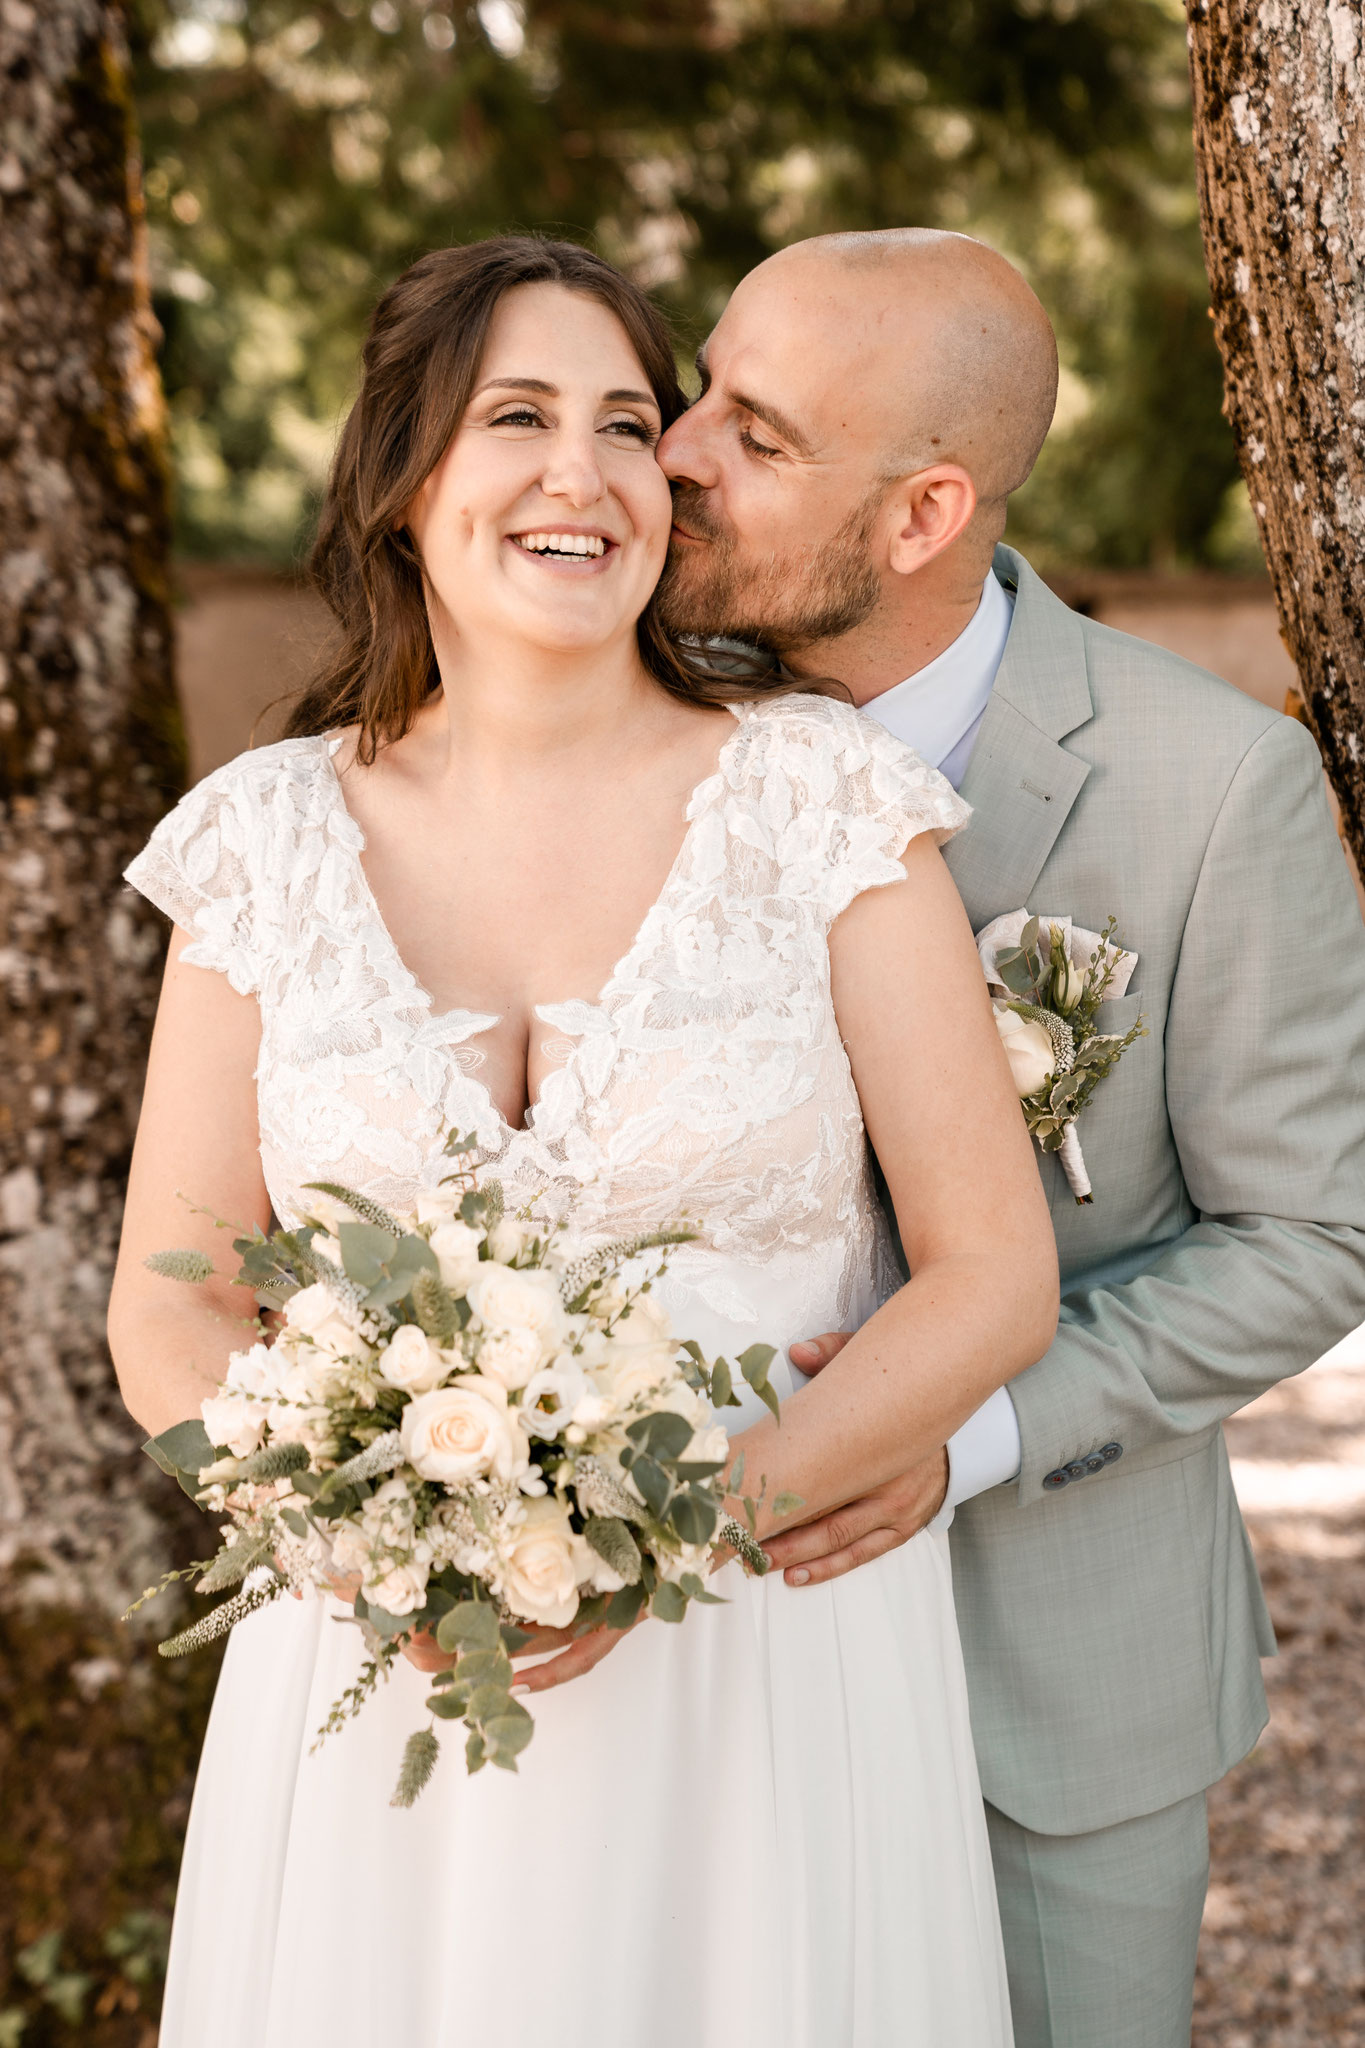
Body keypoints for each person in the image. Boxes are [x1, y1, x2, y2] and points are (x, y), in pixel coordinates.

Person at [108, 235, 1060, 2047]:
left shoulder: (822, 801)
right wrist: (344, 1530)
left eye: (629, 422)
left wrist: (669, 1533)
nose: (584, 471)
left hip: (766, 1659)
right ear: (404, 483)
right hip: (382, 1658)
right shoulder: (258, 842)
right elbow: (175, 1297)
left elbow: (992, 1277)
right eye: (516, 416)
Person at [527, 228, 1365, 2048]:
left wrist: (969, 1432)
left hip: (1043, 1667)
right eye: (699, 394)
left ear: (921, 517)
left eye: (752, 435)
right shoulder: (612, 730)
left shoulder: (1212, 790)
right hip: (668, 1660)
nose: (668, 456)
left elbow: (1313, 1240)